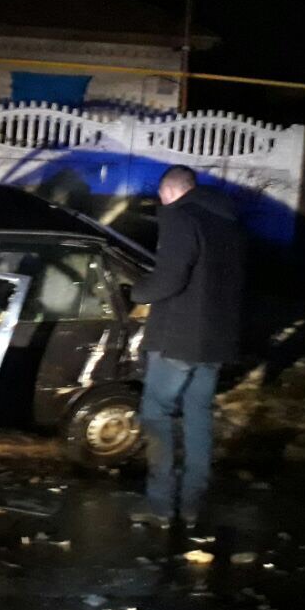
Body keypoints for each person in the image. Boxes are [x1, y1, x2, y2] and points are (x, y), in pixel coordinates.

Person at [128, 165, 245, 530]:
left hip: (178, 339)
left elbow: (170, 278)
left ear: (170, 191)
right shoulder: (229, 222)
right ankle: (193, 506)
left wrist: (137, 292)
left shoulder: (180, 217)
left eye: (161, 197)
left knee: (156, 415)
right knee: (198, 418)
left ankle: (161, 506)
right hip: (215, 342)